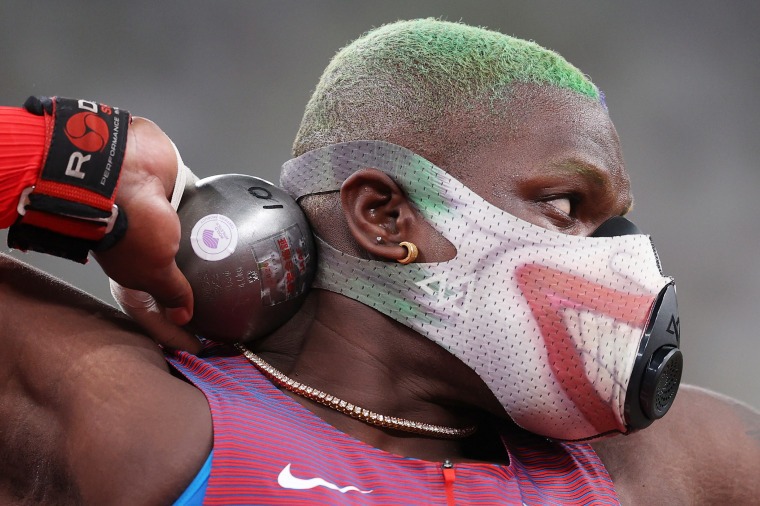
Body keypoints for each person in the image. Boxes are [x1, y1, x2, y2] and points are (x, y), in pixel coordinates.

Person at [1, 18, 758, 505]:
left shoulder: (655, 466)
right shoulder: (154, 426)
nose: (616, 265)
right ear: (386, 217)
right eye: (565, 206)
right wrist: (56, 158)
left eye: (611, 226)